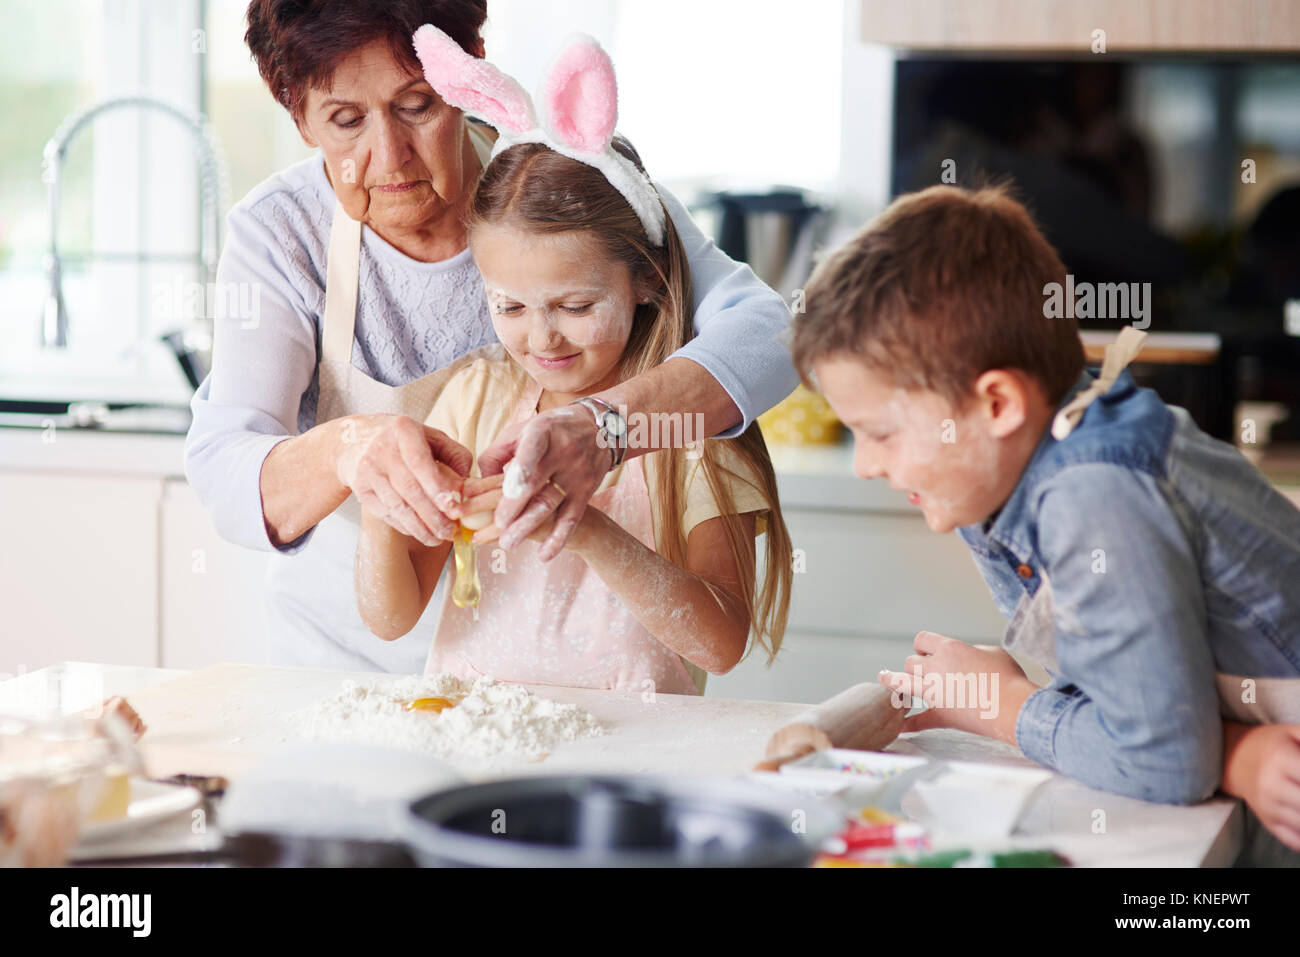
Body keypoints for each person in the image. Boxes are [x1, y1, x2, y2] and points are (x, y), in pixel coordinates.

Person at [184, 0, 798, 672]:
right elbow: (222, 468)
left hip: (556, 682)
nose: (389, 156)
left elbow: (775, 333)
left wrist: (603, 430)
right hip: (342, 658)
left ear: (467, 68)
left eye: (417, 104)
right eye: (346, 120)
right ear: (299, 117)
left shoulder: (562, 186)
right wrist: (350, 452)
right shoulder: (281, 233)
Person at [789, 183, 1300, 857]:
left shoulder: (1093, 491)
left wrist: (1002, 704)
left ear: (996, 404)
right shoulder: (1003, 479)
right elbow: (1125, 692)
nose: (864, 466)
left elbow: (1165, 764)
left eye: (879, 433)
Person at [356, 30, 791, 694]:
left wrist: (584, 525)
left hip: (630, 766)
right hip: (476, 749)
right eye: (510, 306)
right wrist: (380, 495)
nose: (543, 339)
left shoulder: (693, 422)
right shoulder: (476, 399)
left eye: (576, 305)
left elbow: (722, 640)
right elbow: (389, 617)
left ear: (644, 279)